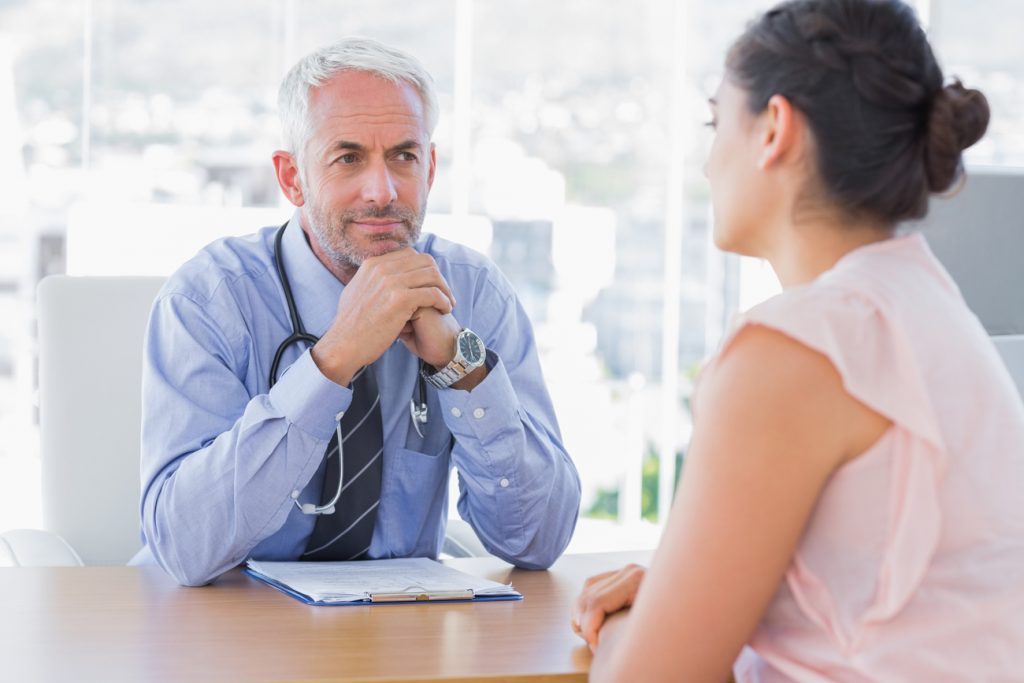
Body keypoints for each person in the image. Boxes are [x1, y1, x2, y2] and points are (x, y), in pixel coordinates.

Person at [572, 0, 1024, 680]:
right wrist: (689, 595)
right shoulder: (928, 305)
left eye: (714, 120)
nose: (705, 165)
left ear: (774, 128)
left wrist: (637, 623)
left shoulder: (796, 349)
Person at [131, 37, 581, 586]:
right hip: (214, 634)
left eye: (403, 156)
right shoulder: (208, 301)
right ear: (292, 177)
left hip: (396, 639)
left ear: (431, 167)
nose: (382, 190)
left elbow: (539, 539)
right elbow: (183, 546)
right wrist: (333, 360)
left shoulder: (475, 291)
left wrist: (462, 369)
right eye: (348, 158)